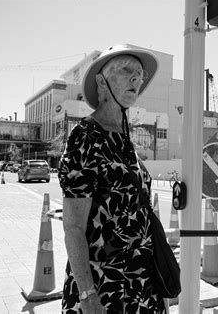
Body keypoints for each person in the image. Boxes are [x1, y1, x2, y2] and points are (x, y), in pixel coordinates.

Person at [58, 44, 165, 313]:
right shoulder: (85, 136)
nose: (136, 78)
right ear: (100, 82)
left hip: (142, 286)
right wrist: (87, 294)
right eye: (126, 70)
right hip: (103, 288)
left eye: (139, 74)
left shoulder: (126, 136)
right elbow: (73, 227)